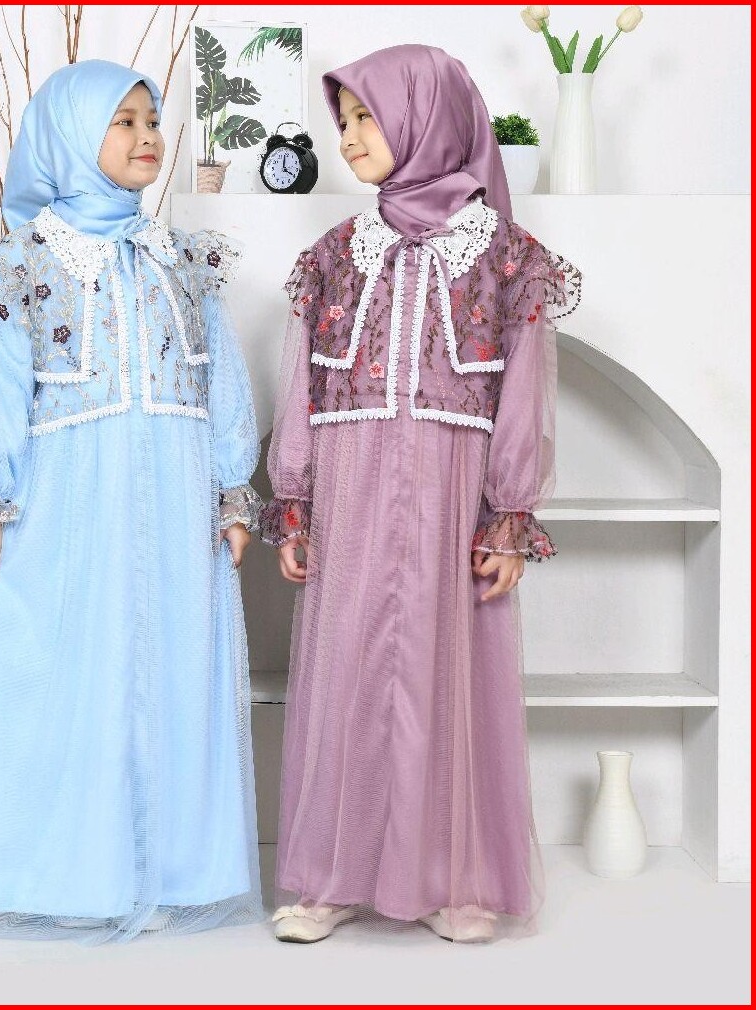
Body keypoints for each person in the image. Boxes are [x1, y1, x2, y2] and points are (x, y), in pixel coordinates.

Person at [261, 44, 581, 944]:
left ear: (425, 118)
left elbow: (524, 391)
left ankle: (451, 877)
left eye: (368, 116)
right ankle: (331, 874)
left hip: (452, 489)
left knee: (449, 678)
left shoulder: (505, 258)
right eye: (345, 120)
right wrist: (296, 499)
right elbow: (301, 387)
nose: (350, 137)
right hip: (352, 484)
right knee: (346, 670)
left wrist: (509, 515)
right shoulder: (335, 254)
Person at [0, 60, 262, 942]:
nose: (147, 136)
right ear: (71, 138)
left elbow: (222, 378)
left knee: (173, 672)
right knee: (73, 673)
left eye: (152, 119)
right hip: (68, 505)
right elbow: (1, 390)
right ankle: (70, 874)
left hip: (175, 500)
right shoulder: (22, 265)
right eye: (123, 122)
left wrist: (232, 490)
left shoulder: (182, 258)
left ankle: (172, 869)